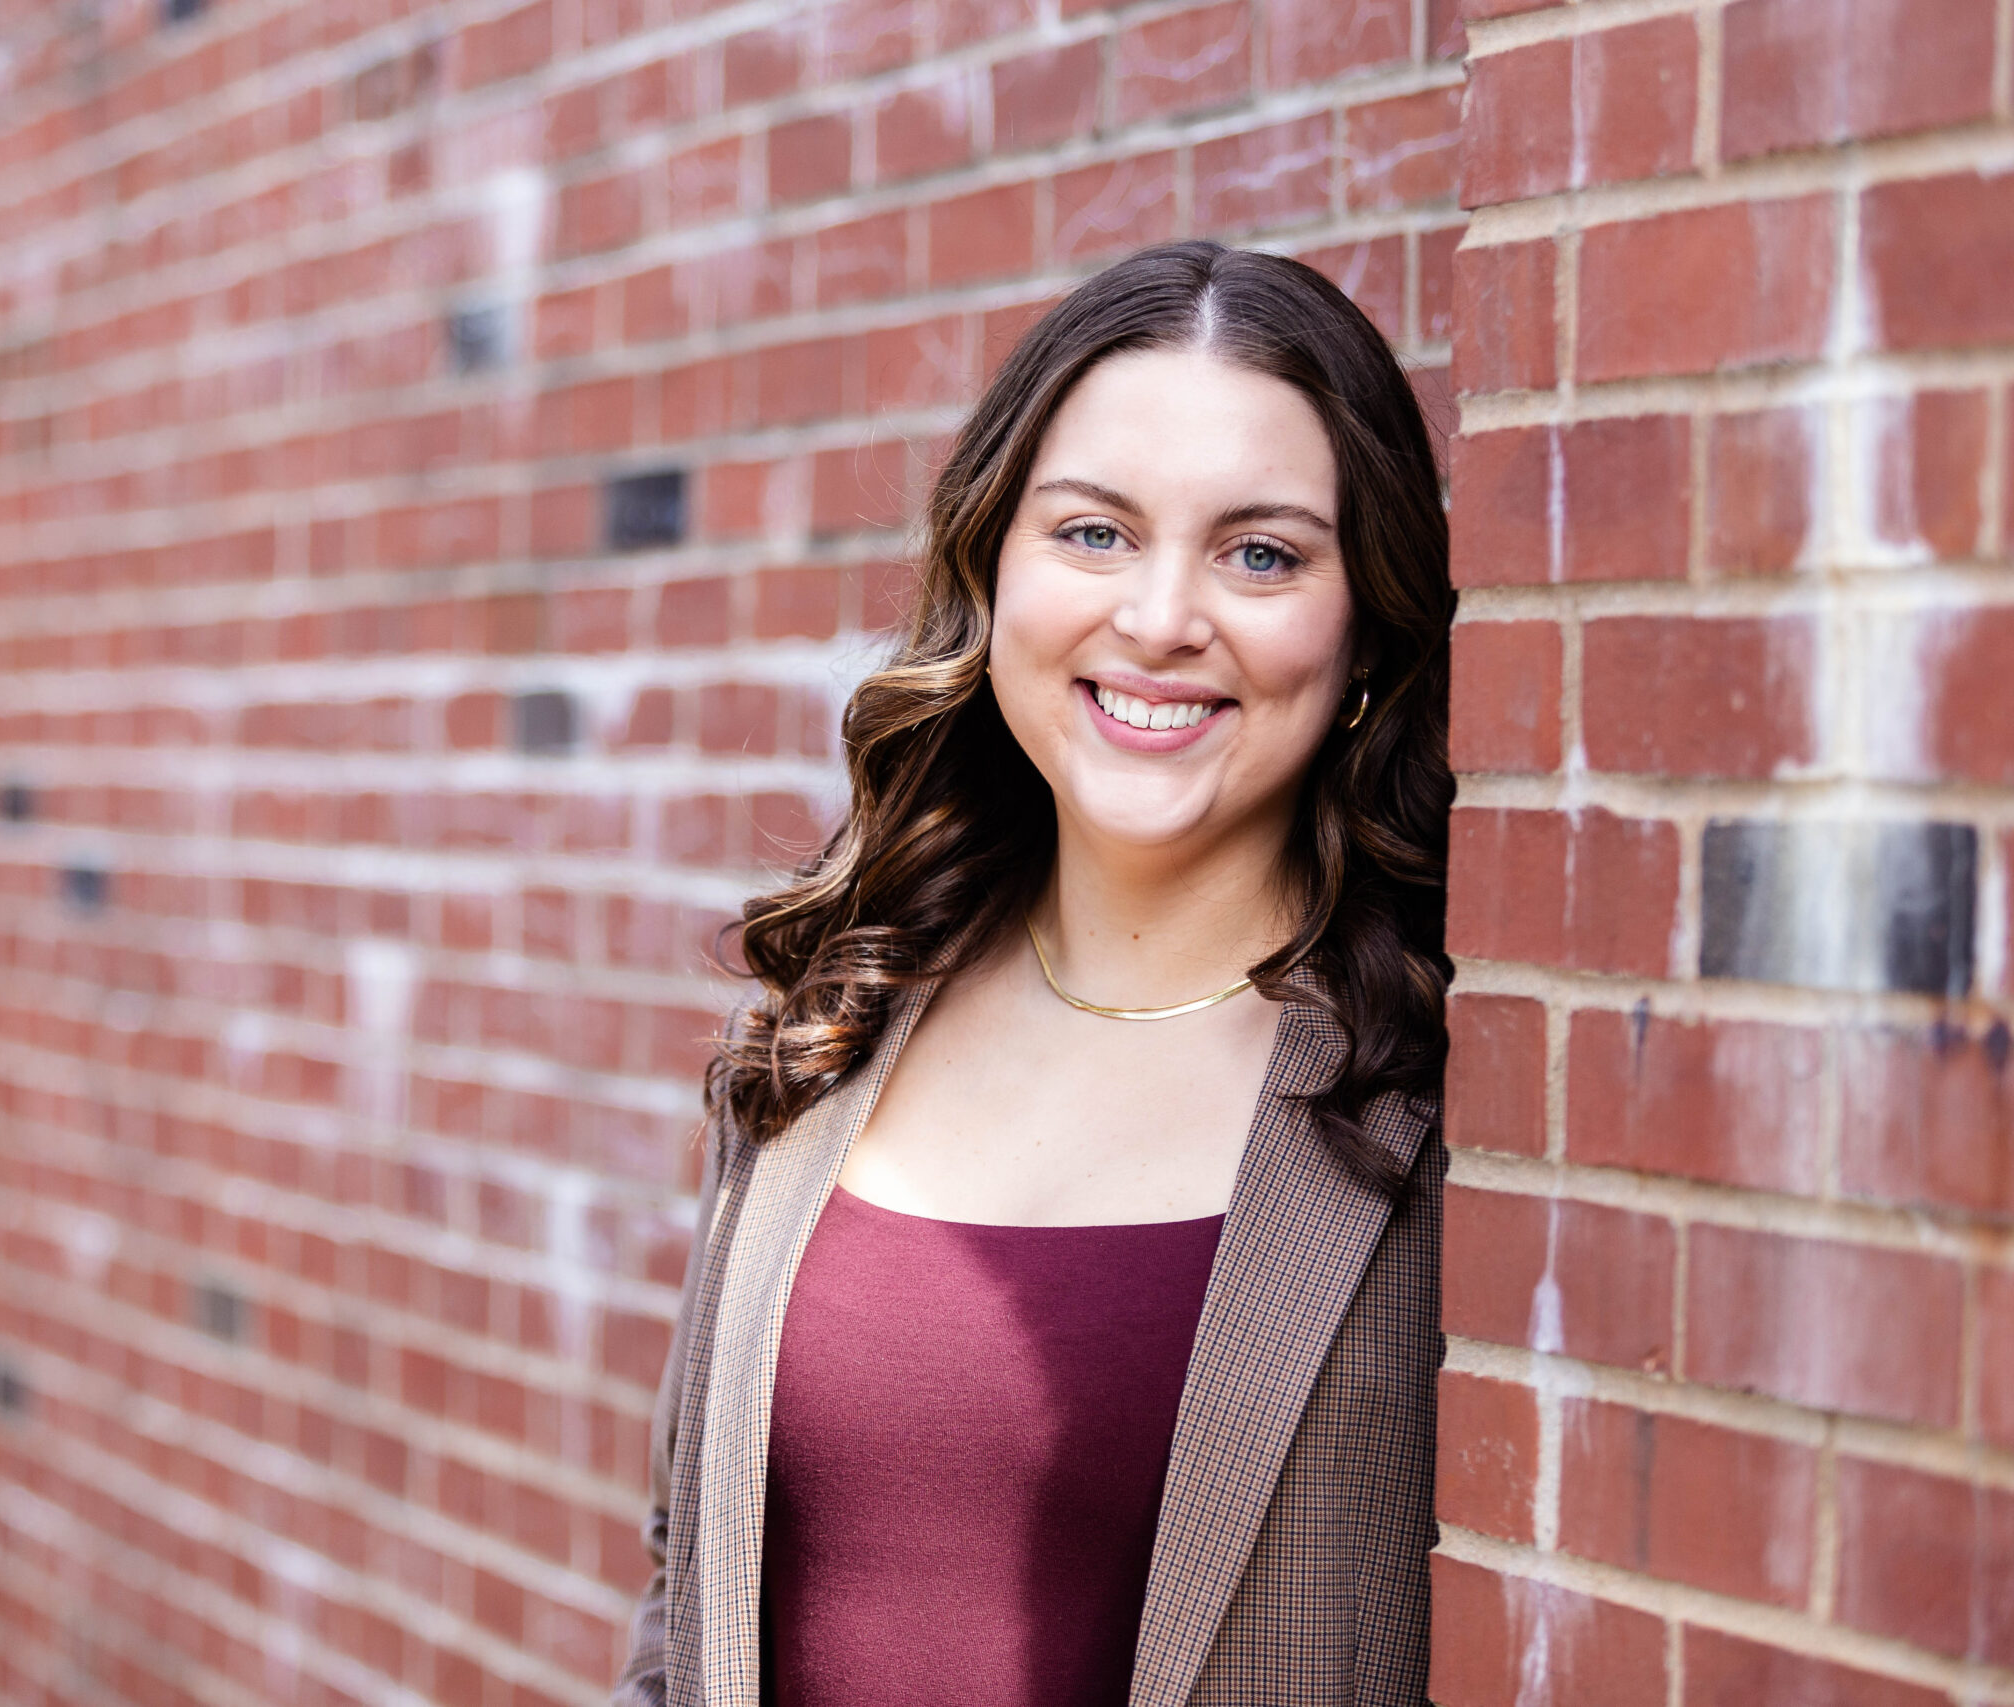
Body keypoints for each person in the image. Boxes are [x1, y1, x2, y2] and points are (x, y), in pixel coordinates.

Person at [614, 240, 1454, 1707]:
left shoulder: (1425, 1094)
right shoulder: (832, 1029)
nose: (1158, 619)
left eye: (1261, 554)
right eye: (1093, 534)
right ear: (990, 567)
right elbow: (686, 1591)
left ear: (1366, 631)